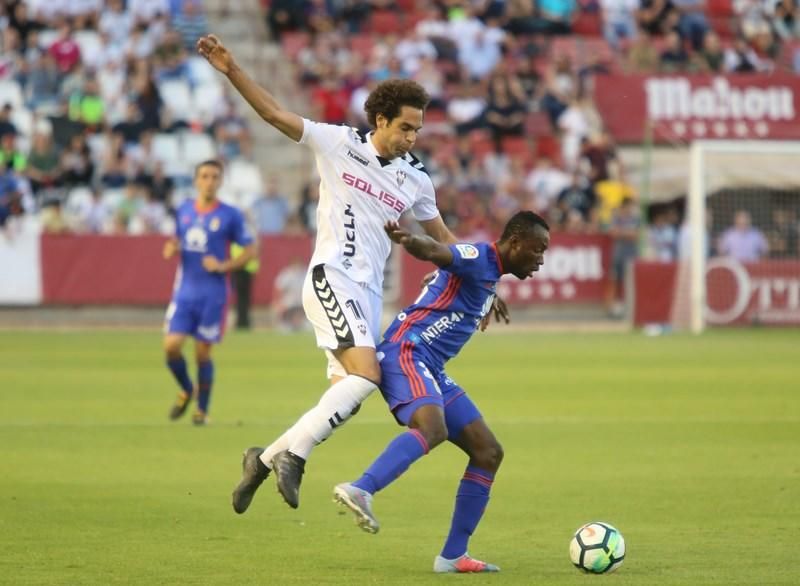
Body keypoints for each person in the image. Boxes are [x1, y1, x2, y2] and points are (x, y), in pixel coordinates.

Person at [195, 34, 508, 512]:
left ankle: (262, 460)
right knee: (368, 375)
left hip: (367, 294)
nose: (411, 138)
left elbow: (445, 239)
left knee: (351, 390)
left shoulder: (416, 178)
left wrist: (485, 285)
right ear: (380, 120)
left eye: (418, 131)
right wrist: (232, 67)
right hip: (330, 277)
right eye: (405, 127)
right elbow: (276, 116)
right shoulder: (339, 143)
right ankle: (295, 457)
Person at [333, 212, 550, 573]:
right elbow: (441, 252)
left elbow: (458, 278)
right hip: (406, 352)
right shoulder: (478, 257)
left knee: (488, 452)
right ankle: (361, 488)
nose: (541, 260)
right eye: (537, 250)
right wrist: (410, 241)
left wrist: (489, 295)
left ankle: (452, 556)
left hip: (429, 365)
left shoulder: (489, 273)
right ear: (514, 243)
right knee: (433, 429)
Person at [163, 160, 256, 425]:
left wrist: (224, 265)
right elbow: (177, 240)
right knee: (171, 347)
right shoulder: (183, 211)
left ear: (220, 181)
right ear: (196, 181)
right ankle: (186, 388)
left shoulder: (230, 215)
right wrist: (171, 248)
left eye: (215, 176)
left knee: (202, 353)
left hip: (213, 294)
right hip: (185, 291)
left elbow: (250, 250)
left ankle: (201, 411)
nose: (209, 181)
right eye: (204, 176)